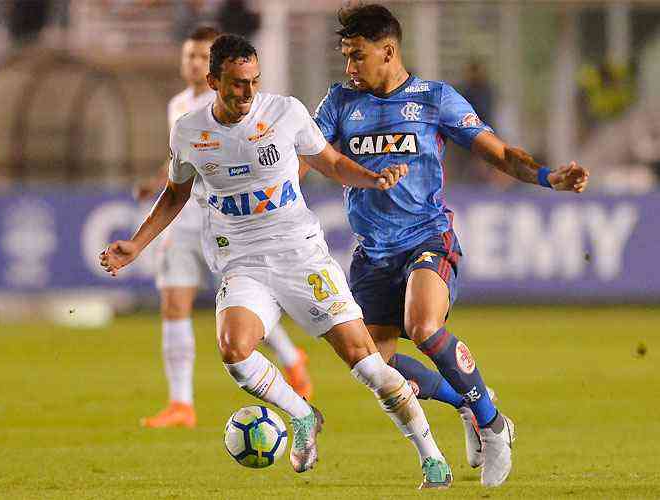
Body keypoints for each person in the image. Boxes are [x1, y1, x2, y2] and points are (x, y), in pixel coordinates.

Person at [102, 34, 454, 488]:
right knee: (234, 349)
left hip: (300, 256)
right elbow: (176, 192)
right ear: (213, 81)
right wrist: (136, 244)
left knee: (365, 361)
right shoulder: (189, 132)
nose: (247, 92)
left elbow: (330, 162)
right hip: (242, 261)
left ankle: (430, 454)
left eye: (253, 81)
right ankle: (302, 415)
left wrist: (373, 178)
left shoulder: (285, 112)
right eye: (235, 84)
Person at [312, 4, 589, 488]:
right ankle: (465, 400)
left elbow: (498, 153)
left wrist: (548, 177)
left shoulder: (434, 99)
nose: (349, 67)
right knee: (375, 364)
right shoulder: (338, 103)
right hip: (371, 251)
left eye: (357, 56)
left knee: (423, 325)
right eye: (345, 57)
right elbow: (310, 159)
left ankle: (493, 422)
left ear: (388, 51)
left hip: (426, 237)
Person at [135, 26, 312, 430]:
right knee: (173, 304)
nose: (193, 63)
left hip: (232, 229)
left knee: (245, 314)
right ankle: (181, 403)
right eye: (189, 56)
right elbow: (182, 163)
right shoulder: (180, 107)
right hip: (184, 220)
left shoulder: (252, 107)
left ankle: (290, 357)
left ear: (214, 68)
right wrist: (157, 183)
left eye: (201, 56)